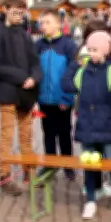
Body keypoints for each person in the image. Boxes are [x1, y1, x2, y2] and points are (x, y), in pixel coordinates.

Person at [62, 31, 111, 219]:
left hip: (107, 128)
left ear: (105, 51)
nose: (91, 53)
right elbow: (66, 85)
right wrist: (75, 64)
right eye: (89, 49)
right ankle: (90, 200)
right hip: (87, 128)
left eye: (95, 50)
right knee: (89, 166)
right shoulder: (82, 71)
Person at [0, 0, 42, 195]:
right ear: (6, 9)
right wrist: (21, 77)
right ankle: (4, 175)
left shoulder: (24, 34)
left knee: (27, 136)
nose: (19, 15)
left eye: (22, 12)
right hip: (8, 91)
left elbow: (35, 61)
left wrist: (34, 77)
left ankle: (30, 171)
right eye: (16, 11)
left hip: (26, 93)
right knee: (7, 136)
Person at [36, 11, 78, 181]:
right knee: (48, 133)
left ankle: (68, 165)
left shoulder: (68, 46)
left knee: (64, 133)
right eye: (41, 22)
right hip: (44, 100)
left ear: (57, 25)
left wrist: (67, 98)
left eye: (47, 22)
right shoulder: (38, 45)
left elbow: (74, 72)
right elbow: (34, 69)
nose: (43, 25)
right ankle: (50, 165)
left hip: (62, 99)